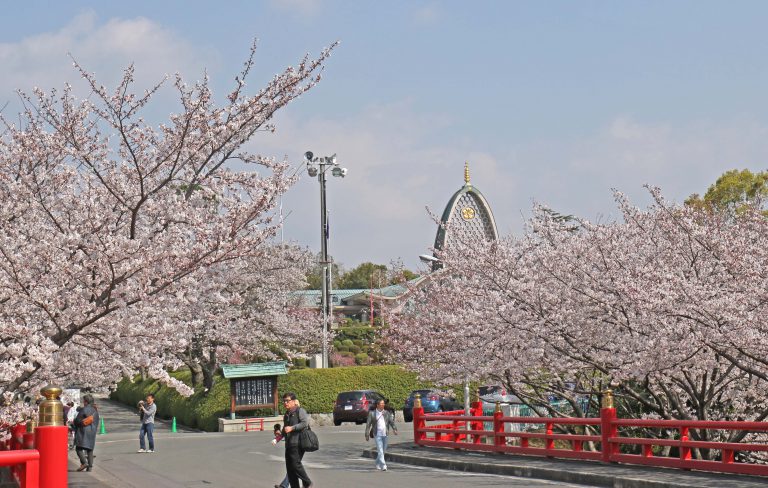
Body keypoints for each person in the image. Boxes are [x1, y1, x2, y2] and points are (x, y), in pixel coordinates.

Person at [281, 392, 312, 488]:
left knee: (295, 464)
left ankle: (307, 482)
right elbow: (285, 428)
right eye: (284, 401)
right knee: (290, 469)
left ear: (294, 401)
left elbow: (304, 423)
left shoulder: (300, 411)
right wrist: (280, 434)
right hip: (289, 444)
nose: (286, 403)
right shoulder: (286, 414)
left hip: (298, 442)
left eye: (288, 401)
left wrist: (292, 428)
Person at [365, 398, 398, 471]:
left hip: (385, 434)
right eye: (381, 404)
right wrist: (367, 435)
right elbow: (368, 425)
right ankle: (383, 465)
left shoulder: (387, 413)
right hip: (377, 434)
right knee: (380, 450)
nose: (383, 405)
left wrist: (395, 429)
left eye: (383, 404)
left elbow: (391, 422)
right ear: (377, 405)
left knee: (383, 451)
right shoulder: (372, 413)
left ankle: (377, 462)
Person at [73, 394, 99, 472]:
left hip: (83, 431)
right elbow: (97, 422)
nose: (83, 402)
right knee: (90, 449)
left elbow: (77, 421)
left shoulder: (84, 410)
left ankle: (84, 463)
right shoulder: (95, 411)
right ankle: (90, 467)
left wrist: (74, 423)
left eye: (84, 401)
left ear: (86, 402)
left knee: (78, 448)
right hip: (92, 431)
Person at [271, 423, 289, 488]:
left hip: (297, 445)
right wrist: (276, 439)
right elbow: (283, 434)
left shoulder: (297, 414)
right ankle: (284, 485)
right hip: (291, 445)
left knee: (294, 467)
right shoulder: (287, 416)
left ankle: (307, 482)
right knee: (294, 468)